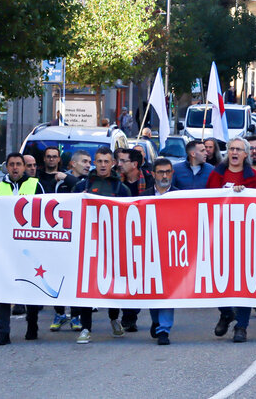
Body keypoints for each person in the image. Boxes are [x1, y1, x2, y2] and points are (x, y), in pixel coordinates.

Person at [207, 137, 256, 343]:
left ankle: (241, 326)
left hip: (245, 238)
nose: (234, 152)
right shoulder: (216, 175)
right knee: (215, 279)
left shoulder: (255, 177)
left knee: (243, 284)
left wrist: (244, 195)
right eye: (231, 148)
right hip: (219, 236)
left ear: (246, 154)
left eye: (238, 149)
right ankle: (225, 312)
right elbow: (205, 201)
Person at [73, 147, 132, 344]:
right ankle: (85, 327)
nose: (103, 165)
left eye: (107, 161)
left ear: (113, 163)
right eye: (99, 161)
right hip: (88, 244)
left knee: (113, 283)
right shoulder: (83, 186)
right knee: (87, 286)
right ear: (94, 163)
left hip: (112, 246)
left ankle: (114, 318)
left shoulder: (121, 189)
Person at [0, 153, 44, 346]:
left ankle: (32, 326)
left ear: (24, 167)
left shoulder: (35, 186)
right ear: (7, 167)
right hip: (5, 248)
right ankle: (3, 332)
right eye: (11, 164)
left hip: (29, 247)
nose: (15, 168)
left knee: (30, 287)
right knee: (3, 289)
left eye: (18, 165)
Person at [141, 159, 178, 345]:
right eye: (161, 172)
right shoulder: (143, 196)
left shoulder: (182, 197)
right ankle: (156, 320)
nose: (164, 175)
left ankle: (164, 329)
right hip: (150, 251)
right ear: (153, 174)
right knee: (153, 289)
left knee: (167, 291)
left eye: (168, 172)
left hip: (172, 252)